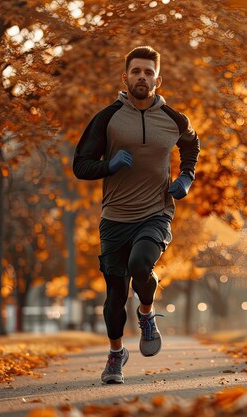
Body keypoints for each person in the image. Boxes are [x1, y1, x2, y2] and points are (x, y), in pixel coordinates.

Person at [73, 46, 200, 384]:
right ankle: (116, 354)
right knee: (115, 293)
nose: (142, 77)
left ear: (158, 79)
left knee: (141, 264)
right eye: (136, 71)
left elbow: (191, 144)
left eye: (148, 72)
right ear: (125, 77)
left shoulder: (174, 119)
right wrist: (108, 165)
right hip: (115, 216)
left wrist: (187, 176)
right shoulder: (107, 118)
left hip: (155, 212)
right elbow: (80, 165)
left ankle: (146, 314)